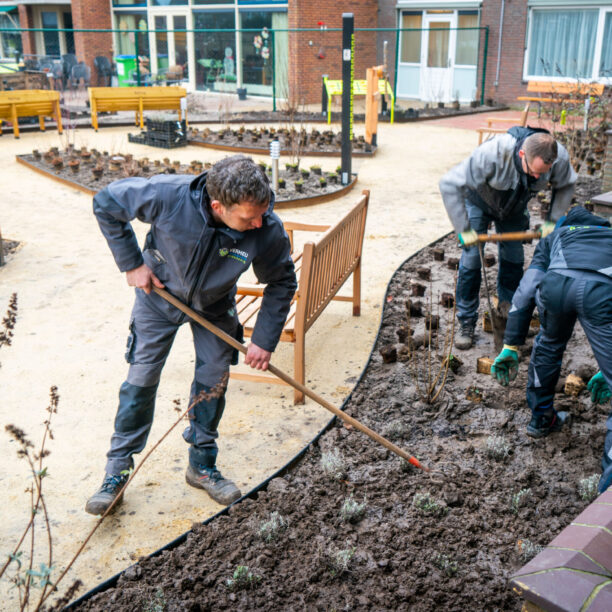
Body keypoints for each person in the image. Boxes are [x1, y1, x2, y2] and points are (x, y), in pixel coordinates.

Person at [85, 155, 297, 514]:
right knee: (141, 379)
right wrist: (132, 264)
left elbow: (281, 280)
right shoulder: (167, 196)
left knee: (213, 380)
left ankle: (201, 466)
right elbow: (106, 202)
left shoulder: (266, 228)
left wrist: (263, 339)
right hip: (158, 299)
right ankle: (116, 470)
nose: (259, 221)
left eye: (262, 212)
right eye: (248, 217)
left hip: (215, 307)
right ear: (218, 206)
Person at [491, 206, 612, 494]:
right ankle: (609, 480)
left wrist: (511, 344)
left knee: (548, 345)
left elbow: (527, 287)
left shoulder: (556, 237)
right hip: (602, 290)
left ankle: (541, 417)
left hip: (556, 285)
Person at [439, 127, 576, 350]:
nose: (538, 177)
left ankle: (509, 317)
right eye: (534, 171)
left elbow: (566, 184)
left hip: (515, 206)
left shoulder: (557, 157)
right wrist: (463, 229)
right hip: (479, 199)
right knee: (472, 258)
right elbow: (449, 183)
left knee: (513, 256)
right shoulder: (493, 153)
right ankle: (466, 322)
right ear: (522, 154)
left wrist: (553, 219)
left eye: (544, 173)